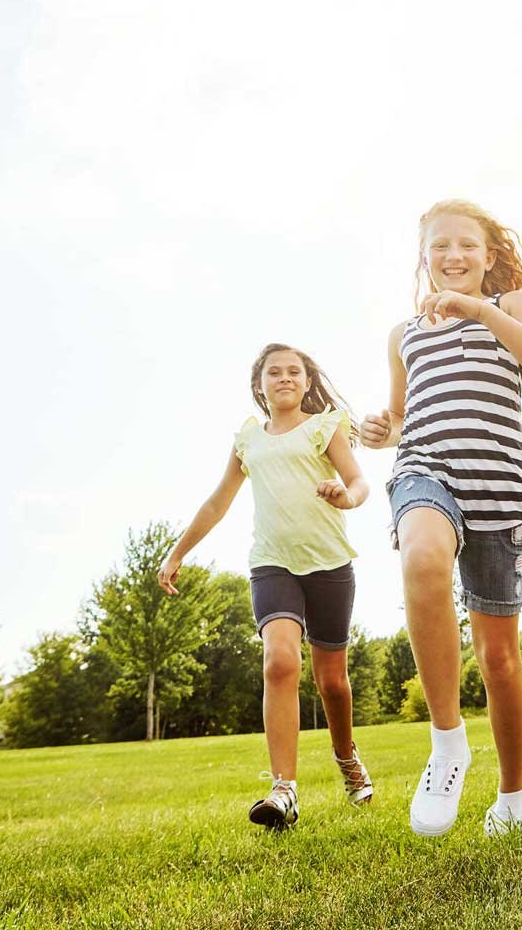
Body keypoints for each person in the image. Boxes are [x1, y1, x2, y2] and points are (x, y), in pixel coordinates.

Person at [360, 199, 522, 837]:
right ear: (423, 257)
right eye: (440, 247)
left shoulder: (511, 308)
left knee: (499, 656)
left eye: (467, 246)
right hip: (428, 470)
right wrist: (381, 427)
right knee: (422, 557)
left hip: (500, 489)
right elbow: (400, 416)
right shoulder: (403, 334)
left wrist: (481, 311)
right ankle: (447, 740)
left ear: (489, 254)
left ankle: (512, 793)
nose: (453, 257)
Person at [158, 344, 373, 831]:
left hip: (329, 564)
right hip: (272, 564)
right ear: (260, 384)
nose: (284, 378)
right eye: (273, 372)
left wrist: (347, 497)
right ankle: (284, 790)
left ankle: (346, 758)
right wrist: (178, 552)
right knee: (279, 662)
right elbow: (218, 502)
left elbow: (359, 481)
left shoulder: (324, 426)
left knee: (332, 683)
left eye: (293, 371)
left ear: (306, 381)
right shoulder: (247, 440)